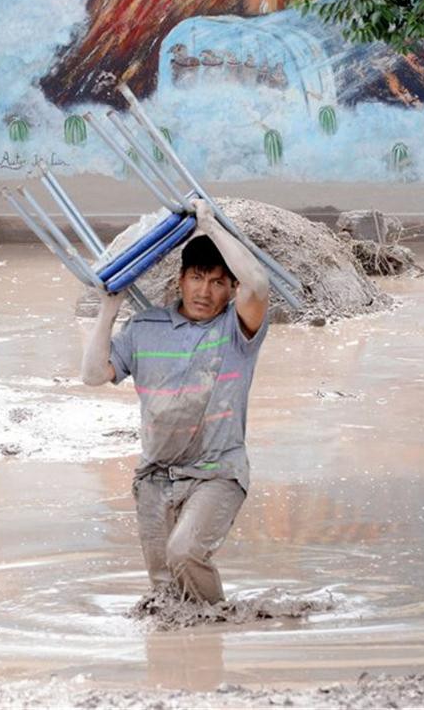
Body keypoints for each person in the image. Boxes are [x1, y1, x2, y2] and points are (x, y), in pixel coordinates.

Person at [81, 200, 271, 604]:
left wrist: (211, 226)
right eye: (197, 278)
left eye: (219, 282)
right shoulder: (144, 328)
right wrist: (108, 310)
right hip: (155, 476)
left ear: (231, 289)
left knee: (184, 552)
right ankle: (185, 655)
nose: (205, 290)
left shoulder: (237, 330)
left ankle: (218, 627)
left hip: (217, 472)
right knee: (165, 593)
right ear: (180, 280)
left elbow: (258, 285)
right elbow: (93, 375)